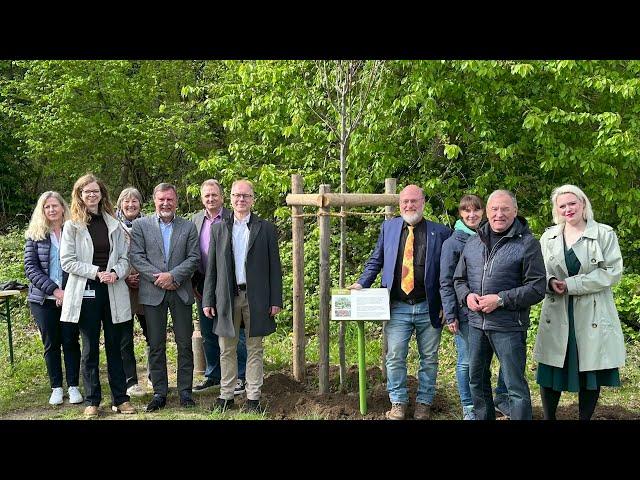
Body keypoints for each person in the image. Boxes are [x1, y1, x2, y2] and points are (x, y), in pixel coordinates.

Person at [350, 184, 452, 420]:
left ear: (423, 203)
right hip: (397, 306)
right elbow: (376, 260)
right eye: (405, 202)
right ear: (399, 205)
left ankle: (424, 404)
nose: (409, 206)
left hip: (429, 306)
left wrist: (448, 304)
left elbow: (449, 272)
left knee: (429, 358)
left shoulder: (441, 232)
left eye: (414, 201)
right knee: (394, 356)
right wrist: (361, 283)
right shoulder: (389, 227)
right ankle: (398, 402)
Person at [533, 185, 625, 420]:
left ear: (583, 203)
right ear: (556, 210)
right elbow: (536, 272)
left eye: (572, 203)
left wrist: (573, 285)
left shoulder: (604, 234)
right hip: (557, 310)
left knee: (589, 369)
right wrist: (551, 281)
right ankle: (549, 418)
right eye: (562, 206)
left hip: (592, 312)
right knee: (551, 369)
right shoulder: (549, 237)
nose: (568, 209)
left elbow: (613, 272)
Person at [454, 189, 545, 420]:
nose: (499, 214)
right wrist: (466, 297)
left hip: (509, 326)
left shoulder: (528, 244)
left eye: (505, 209)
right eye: (494, 209)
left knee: (515, 386)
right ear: (487, 211)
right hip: (475, 325)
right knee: (477, 380)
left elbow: (537, 287)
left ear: (515, 211)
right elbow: (459, 279)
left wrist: (501, 299)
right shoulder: (474, 242)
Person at [202, 179, 283, 413]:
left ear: (253, 199)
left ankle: (253, 398)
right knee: (226, 347)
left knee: (254, 347)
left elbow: (274, 267)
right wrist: (208, 299)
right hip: (227, 296)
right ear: (230, 198)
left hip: (256, 296)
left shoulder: (265, 228)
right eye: (237, 195)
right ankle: (226, 396)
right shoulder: (219, 228)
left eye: (246, 196)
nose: (241, 200)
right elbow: (212, 269)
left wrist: (275, 300)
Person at [60, 174, 135, 418]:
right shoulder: (72, 226)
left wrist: (115, 272)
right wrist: (96, 273)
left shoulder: (113, 223)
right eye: (87, 192)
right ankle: (92, 400)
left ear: (102, 194)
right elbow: (67, 261)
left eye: (95, 191)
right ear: (79, 195)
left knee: (116, 346)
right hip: (87, 291)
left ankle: (120, 399)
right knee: (90, 348)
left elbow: (125, 258)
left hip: (113, 289)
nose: (92, 195)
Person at [130, 183, 200, 412]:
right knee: (156, 345)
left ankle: (185, 392)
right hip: (153, 293)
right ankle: (159, 392)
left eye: (170, 199)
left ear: (176, 201)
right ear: (154, 200)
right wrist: (158, 278)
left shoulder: (188, 227)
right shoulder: (141, 225)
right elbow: (136, 257)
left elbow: (193, 258)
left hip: (180, 291)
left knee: (184, 344)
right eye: (161, 199)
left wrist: (173, 276)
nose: (165, 203)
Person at [440, 194, 510, 420]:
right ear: (460, 214)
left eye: (476, 210)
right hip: (465, 314)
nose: (472, 215)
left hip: (495, 311)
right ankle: (469, 406)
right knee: (467, 361)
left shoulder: (491, 236)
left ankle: (499, 400)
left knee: (502, 358)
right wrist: (451, 314)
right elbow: (447, 281)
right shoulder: (453, 242)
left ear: (484, 212)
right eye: (466, 211)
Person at [24, 191, 83, 406]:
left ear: (62, 207)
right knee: (51, 344)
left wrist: (67, 292)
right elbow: (31, 268)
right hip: (43, 300)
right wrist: (55, 291)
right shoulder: (35, 235)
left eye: (55, 206)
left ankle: (74, 386)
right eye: (47, 207)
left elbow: (78, 262)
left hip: (71, 296)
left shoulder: (74, 231)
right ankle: (56, 387)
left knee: (71, 341)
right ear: (42, 210)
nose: (51, 210)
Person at [191, 179, 248, 396]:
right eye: (207, 195)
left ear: (223, 197)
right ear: (202, 198)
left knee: (235, 330)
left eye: (214, 195)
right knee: (208, 331)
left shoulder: (232, 217)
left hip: (230, 283)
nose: (210, 199)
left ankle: (240, 376)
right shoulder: (195, 220)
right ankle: (213, 374)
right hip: (203, 282)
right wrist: (196, 282)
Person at [115, 186, 150, 397]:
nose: (130, 205)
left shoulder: (148, 225)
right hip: (122, 286)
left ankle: (154, 375)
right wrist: (126, 276)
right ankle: (131, 381)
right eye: (126, 202)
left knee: (152, 334)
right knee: (124, 337)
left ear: (140, 204)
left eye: (134, 201)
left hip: (146, 285)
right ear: (120, 204)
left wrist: (143, 276)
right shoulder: (113, 226)